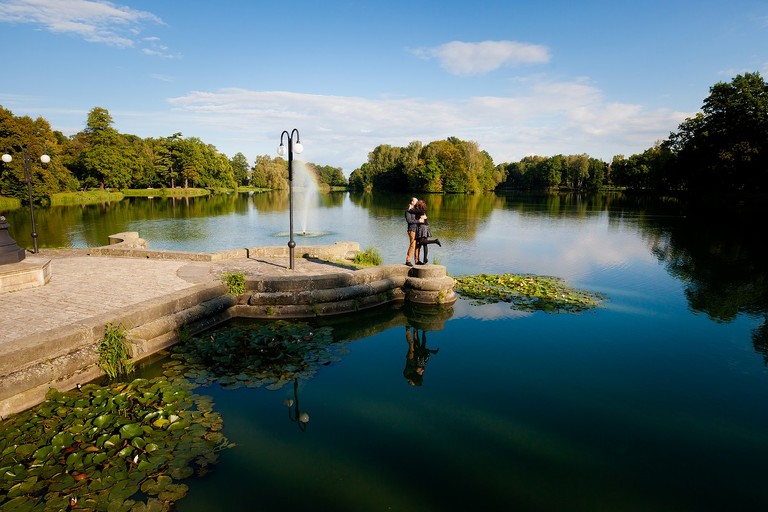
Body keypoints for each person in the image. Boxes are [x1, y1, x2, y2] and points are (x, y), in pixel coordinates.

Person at [413, 199, 441, 265]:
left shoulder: (420, 211)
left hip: (422, 227)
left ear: (419, 205)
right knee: (425, 244)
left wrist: (410, 208)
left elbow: (412, 212)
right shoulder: (424, 210)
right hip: (426, 226)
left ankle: (435, 241)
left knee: (421, 242)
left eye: (417, 204)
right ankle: (425, 259)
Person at [404, 197, 420, 266]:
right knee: (412, 245)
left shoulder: (416, 210)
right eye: (416, 201)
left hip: (417, 230)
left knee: (417, 245)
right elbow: (409, 221)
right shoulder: (408, 211)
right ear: (412, 202)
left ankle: (417, 261)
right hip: (412, 230)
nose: (417, 202)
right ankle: (408, 260)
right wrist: (418, 221)